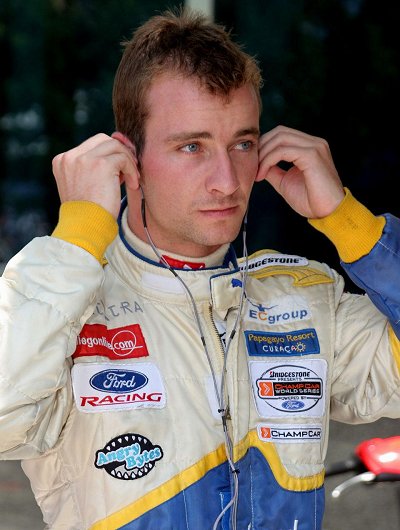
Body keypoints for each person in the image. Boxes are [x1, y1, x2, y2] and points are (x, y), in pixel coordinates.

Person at [0, 7, 400, 530]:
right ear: (128, 158)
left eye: (242, 144)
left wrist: (352, 225)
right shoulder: (62, 300)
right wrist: (78, 238)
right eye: (192, 146)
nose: (227, 181)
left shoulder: (302, 299)